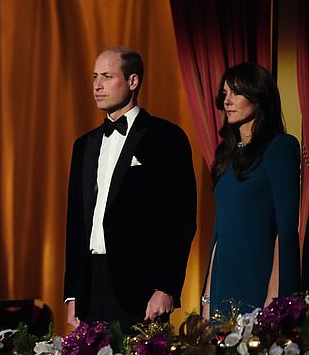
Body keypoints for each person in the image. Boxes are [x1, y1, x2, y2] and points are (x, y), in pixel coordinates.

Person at [64, 46, 197, 330]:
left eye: (108, 76)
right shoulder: (84, 145)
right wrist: (73, 293)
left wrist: (166, 286)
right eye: (95, 76)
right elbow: (75, 223)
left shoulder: (166, 137)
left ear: (133, 81)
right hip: (91, 285)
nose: (97, 85)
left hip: (142, 287)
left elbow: (181, 219)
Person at [202, 62, 300, 319]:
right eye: (224, 94)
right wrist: (207, 297)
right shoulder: (226, 154)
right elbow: (219, 232)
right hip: (222, 288)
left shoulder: (280, 147)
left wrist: (276, 295)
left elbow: (285, 227)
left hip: (259, 282)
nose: (227, 101)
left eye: (236, 93)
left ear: (259, 96)